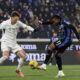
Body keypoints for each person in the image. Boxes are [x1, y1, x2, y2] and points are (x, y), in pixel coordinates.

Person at [0, 11, 34, 78]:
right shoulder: (5, 23)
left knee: (24, 57)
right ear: (12, 17)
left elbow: (26, 26)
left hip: (13, 43)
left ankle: (18, 70)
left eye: (17, 19)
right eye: (15, 19)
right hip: (5, 42)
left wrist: (33, 30)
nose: (17, 21)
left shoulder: (18, 23)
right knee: (5, 57)